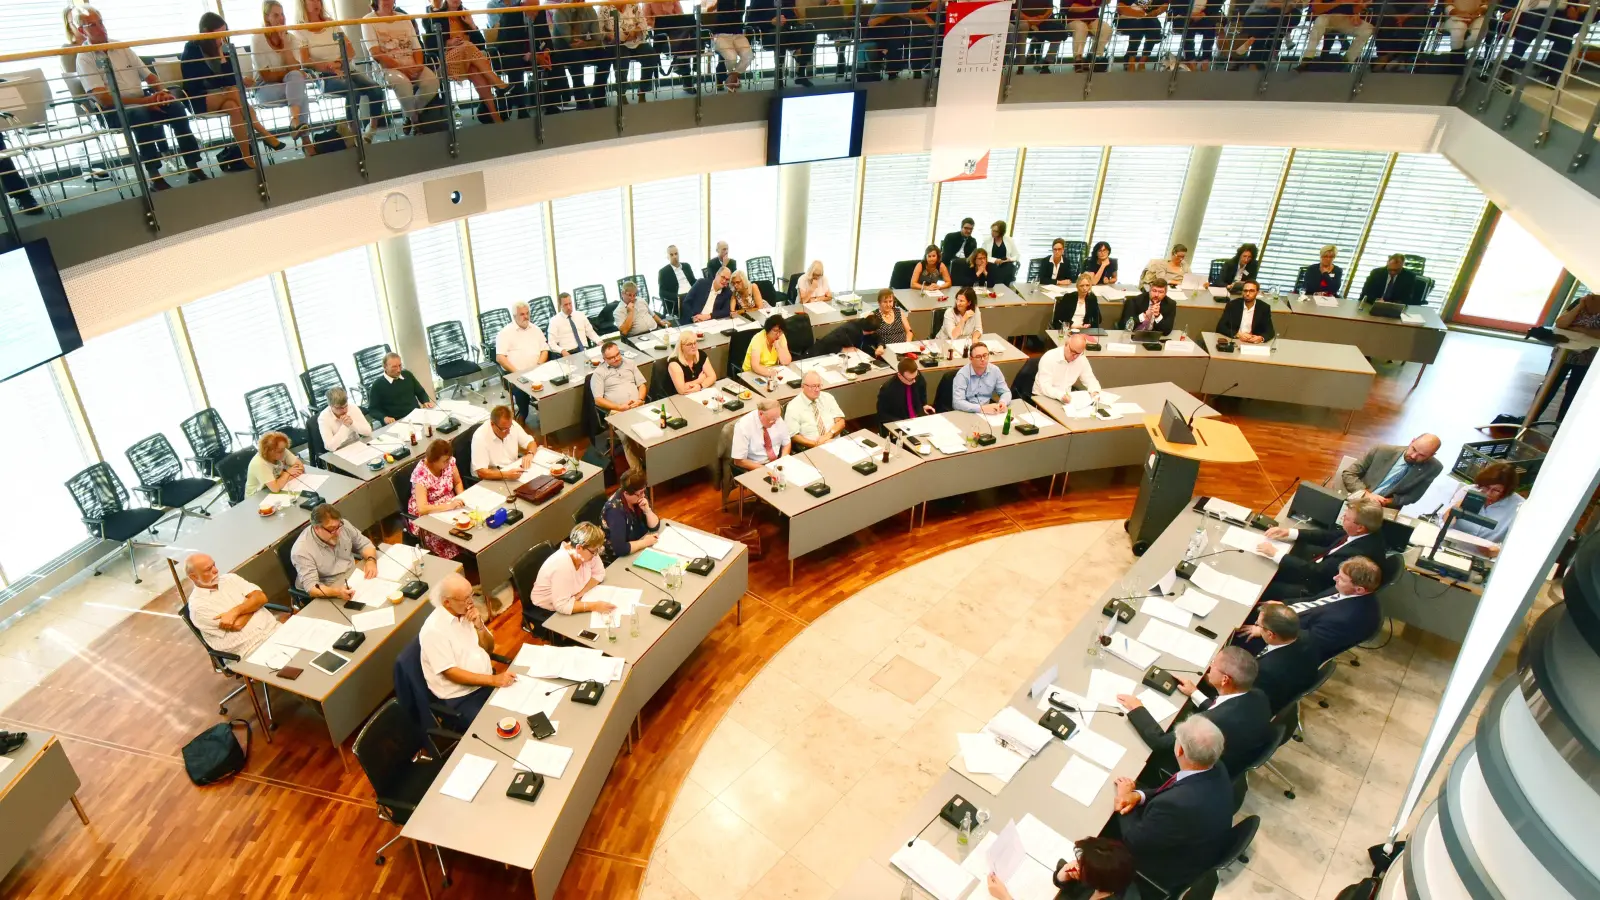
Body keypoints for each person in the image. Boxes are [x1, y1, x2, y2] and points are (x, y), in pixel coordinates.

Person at [73, 5, 206, 190]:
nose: (101, 28)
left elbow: (149, 77)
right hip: (113, 111)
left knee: (176, 106)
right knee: (139, 115)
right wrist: (145, 102)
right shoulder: (84, 58)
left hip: (143, 100)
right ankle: (154, 175)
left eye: (101, 22)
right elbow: (104, 99)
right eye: (92, 25)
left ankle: (193, 166)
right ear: (81, 30)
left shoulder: (121, 47)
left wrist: (161, 92)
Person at [1107, 717, 1234, 893]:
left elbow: (1134, 841)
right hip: (1192, 839)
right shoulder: (1215, 767)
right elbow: (1172, 789)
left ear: (1180, 749)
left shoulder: (1177, 805)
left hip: (1164, 865)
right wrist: (1137, 795)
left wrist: (1122, 799)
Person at [1118, 646, 1273, 785]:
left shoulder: (1211, 722)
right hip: (1234, 755)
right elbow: (1221, 709)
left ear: (1225, 679)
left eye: (1214, 664)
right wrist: (1195, 693)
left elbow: (1159, 742)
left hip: (1198, 771)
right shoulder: (1258, 695)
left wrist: (1137, 708)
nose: (1210, 667)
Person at [179, 13, 282, 171]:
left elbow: (230, 80)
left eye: (224, 33)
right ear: (207, 32)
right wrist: (224, 78)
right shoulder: (192, 49)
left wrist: (221, 55)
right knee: (233, 91)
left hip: (223, 94)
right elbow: (199, 82)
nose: (223, 38)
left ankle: (246, 156)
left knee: (234, 107)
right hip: (200, 97)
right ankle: (262, 131)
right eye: (219, 33)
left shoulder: (222, 47)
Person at [419, 572, 514, 725]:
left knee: (517, 710)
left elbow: (488, 649)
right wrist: (492, 680)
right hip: (462, 697)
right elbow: (451, 673)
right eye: (465, 599)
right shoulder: (434, 631)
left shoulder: (467, 613)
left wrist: (480, 626)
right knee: (494, 727)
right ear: (447, 602)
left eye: (472, 595)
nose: (472, 602)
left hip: (485, 682)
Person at [1256, 556, 1384, 662]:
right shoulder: (1348, 590)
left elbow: (1307, 642)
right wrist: (1283, 605)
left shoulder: (1346, 619)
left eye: (1342, 579)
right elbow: (1313, 600)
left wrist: (1268, 629)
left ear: (1359, 589)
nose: (1335, 578)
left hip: (1284, 640)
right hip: (1285, 620)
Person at [1261, 497, 1388, 601]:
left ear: (1360, 527)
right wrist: (1289, 532)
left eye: (1347, 518)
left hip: (1316, 588)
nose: (1343, 518)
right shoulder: (1369, 531)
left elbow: (1317, 572)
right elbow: (1329, 536)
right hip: (1321, 567)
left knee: (1265, 585)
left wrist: (1276, 554)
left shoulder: (1357, 554)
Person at [296, 0, 389, 136]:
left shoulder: (331, 23)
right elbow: (305, 61)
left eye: (318, 0)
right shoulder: (300, 30)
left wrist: (338, 64)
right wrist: (329, 67)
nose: (316, 3)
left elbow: (350, 50)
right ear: (303, 3)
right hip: (324, 76)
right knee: (353, 89)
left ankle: (372, 127)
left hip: (344, 68)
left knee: (375, 88)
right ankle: (354, 130)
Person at [424, 0, 509, 123]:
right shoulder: (437, 15)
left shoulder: (464, 14)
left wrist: (472, 24)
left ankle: (495, 116)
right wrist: (447, 43)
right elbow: (430, 44)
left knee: (476, 71)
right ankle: (497, 82)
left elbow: (481, 45)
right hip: (449, 59)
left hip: (469, 60)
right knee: (467, 45)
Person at [364, 0, 441, 132]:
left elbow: (417, 47)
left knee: (432, 82)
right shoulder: (368, 20)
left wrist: (418, 65)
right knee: (403, 83)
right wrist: (403, 69)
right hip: (386, 68)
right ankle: (415, 121)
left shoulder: (403, 17)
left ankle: (409, 113)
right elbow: (376, 54)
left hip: (412, 64)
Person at [184, 553, 281, 657]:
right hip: (250, 649)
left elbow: (261, 597)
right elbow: (237, 624)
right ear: (194, 577)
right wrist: (252, 603)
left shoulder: (230, 578)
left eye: (214, 565)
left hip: (275, 629)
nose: (216, 570)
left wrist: (235, 612)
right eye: (208, 569)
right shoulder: (198, 607)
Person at [986, 836, 1136, 900]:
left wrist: (1004, 896)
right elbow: (1070, 889)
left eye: (1082, 865)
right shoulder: (1109, 880)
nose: (1076, 864)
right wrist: (1063, 875)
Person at [1235, 603, 1321, 712]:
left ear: (1271, 635)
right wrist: (1262, 632)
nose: (1256, 625)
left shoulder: (1265, 669)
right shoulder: (1306, 635)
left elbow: (1248, 696)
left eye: (1258, 625)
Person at [1534, 292, 1600, 422]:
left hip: (1587, 357)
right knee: (1548, 386)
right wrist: (1580, 306)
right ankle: (1531, 419)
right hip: (1563, 353)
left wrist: (1578, 329)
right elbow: (1561, 324)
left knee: (1574, 392)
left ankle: (1561, 424)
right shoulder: (1581, 302)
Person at [252, 2, 312, 144]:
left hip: (289, 83)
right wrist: (288, 74)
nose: (282, 18)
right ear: (267, 18)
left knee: (296, 80)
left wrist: (285, 45)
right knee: (299, 91)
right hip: (264, 88)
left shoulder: (290, 38)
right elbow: (266, 76)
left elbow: (295, 70)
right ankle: (306, 142)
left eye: (283, 14)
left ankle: (295, 121)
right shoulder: (258, 38)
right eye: (276, 15)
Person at [528, 523, 618, 618]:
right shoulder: (561, 565)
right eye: (594, 551)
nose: (596, 554)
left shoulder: (586, 550)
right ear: (579, 548)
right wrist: (594, 606)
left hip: (571, 598)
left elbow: (599, 573)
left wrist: (580, 594)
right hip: (548, 609)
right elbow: (561, 605)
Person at [290, 504, 378, 600]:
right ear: (316, 528)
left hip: (352, 578)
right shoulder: (301, 550)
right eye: (332, 529)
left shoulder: (342, 525)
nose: (337, 533)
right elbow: (312, 588)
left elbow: (364, 544)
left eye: (338, 526)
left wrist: (371, 560)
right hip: (328, 591)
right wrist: (337, 592)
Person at [1340, 433, 1443, 509]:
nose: (1413, 456)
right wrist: (1366, 495)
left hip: (1384, 508)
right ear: (1412, 441)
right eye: (1414, 449)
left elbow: (1412, 496)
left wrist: (1387, 501)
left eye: (1422, 455)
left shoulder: (1433, 468)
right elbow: (1349, 474)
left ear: (1431, 456)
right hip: (1357, 499)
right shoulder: (1381, 450)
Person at [591, 341, 648, 469]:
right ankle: (638, 474)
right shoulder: (599, 373)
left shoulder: (630, 364)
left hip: (638, 405)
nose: (616, 358)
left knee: (652, 429)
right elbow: (598, 400)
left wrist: (640, 399)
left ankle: (651, 462)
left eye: (618, 354)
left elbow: (642, 384)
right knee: (627, 437)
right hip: (618, 410)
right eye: (612, 357)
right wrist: (619, 407)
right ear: (604, 359)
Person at [409, 438, 467, 559]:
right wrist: (448, 506)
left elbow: (457, 482)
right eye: (445, 461)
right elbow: (422, 508)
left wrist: (461, 497)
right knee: (449, 535)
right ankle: (456, 563)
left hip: (450, 504)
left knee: (468, 524)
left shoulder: (449, 463)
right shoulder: (421, 474)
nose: (448, 463)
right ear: (433, 461)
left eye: (449, 459)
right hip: (428, 513)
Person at [1447, 461, 1522, 552]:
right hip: (1452, 545)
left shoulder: (1518, 506)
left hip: (1485, 555)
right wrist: (1462, 503)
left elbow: (1516, 541)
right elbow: (1444, 522)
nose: (1488, 493)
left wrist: (1497, 550)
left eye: (1496, 490)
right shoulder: (1468, 490)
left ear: (1506, 492)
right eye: (1485, 487)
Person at [495, 301, 549, 424]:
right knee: (521, 392)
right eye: (522, 314)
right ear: (514, 317)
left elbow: (545, 349)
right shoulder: (505, 333)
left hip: (537, 370)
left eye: (527, 313)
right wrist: (517, 373)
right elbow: (500, 357)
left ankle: (548, 419)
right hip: (517, 375)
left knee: (552, 388)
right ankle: (522, 415)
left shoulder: (535, 329)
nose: (526, 316)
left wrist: (539, 365)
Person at [551, 0, 606, 109]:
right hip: (563, 50)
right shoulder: (560, 12)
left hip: (583, 46)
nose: (579, 1)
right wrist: (579, 13)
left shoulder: (590, 10)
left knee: (605, 56)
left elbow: (598, 39)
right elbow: (571, 40)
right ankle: (582, 101)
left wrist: (586, 44)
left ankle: (598, 96)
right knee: (577, 58)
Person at [601, 469, 660, 563]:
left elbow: (654, 526)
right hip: (619, 558)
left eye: (644, 491)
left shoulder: (640, 494)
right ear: (626, 493)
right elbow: (620, 549)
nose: (643, 495)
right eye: (640, 493)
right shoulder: (614, 511)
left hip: (639, 543)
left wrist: (647, 511)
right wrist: (645, 542)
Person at [603, 0, 652, 105]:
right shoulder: (604, 8)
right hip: (617, 43)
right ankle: (621, 93)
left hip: (635, 40)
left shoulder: (633, 4)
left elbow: (643, 23)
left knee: (651, 55)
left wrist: (636, 31)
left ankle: (642, 91)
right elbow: (600, 30)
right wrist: (610, 35)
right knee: (622, 59)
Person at [1301, 0, 1375, 68]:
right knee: (1321, 20)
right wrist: (1339, 2)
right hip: (1326, 17)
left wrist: (1357, 14)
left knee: (1368, 29)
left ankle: (1349, 59)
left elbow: (1357, 8)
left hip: (1345, 18)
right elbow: (1317, 8)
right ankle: (1308, 57)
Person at [472, 404, 538, 480]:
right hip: (494, 477)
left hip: (513, 470)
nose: (508, 431)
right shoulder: (480, 437)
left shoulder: (511, 425)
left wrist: (530, 454)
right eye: (504, 429)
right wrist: (506, 474)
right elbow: (481, 472)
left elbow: (531, 442)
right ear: (492, 424)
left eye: (510, 427)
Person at [784, 370, 846, 449]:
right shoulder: (793, 406)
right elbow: (794, 436)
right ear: (803, 386)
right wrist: (816, 444)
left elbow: (841, 422)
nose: (817, 390)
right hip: (813, 447)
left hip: (835, 442)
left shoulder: (827, 397)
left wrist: (829, 435)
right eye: (813, 386)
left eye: (819, 386)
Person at [732, 397, 792, 478]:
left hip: (777, 462)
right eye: (772, 419)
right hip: (756, 466)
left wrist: (783, 461)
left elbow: (787, 442)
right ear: (760, 413)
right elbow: (739, 461)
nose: (775, 422)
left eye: (777, 418)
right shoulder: (743, 426)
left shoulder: (776, 418)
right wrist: (766, 470)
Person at [367, 352, 434, 423]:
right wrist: (384, 418)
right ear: (385, 367)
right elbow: (373, 410)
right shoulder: (377, 385)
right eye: (394, 367)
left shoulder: (407, 375)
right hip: (396, 422)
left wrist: (425, 401)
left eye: (400, 365)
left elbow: (420, 392)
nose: (399, 370)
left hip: (416, 415)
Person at [1035, 333, 1101, 402]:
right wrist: (1061, 395)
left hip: (1067, 398)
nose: (1075, 357)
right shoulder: (1049, 357)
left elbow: (1090, 379)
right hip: (1044, 397)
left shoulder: (1081, 358)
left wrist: (1095, 391)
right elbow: (1045, 386)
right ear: (1066, 344)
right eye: (1073, 352)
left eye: (1078, 354)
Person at [704, 0, 754, 91]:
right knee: (731, 57)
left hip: (737, 34)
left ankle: (732, 78)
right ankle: (732, 79)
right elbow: (708, 10)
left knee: (748, 56)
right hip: (721, 34)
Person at [951, 342, 1012, 415]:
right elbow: (957, 403)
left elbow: (1006, 392)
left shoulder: (995, 370)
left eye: (985, 355)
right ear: (971, 359)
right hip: (967, 412)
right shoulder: (962, 375)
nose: (983, 359)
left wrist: (1003, 402)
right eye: (978, 356)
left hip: (988, 412)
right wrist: (981, 408)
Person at [876, 357, 935, 424]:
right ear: (900, 375)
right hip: (900, 422)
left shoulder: (919, 377)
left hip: (919, 419)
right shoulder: (888, 389)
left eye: (915, 377)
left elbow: (922, 398)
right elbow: (883, 415)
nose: (914, 381)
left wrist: (923, 407)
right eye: (910, 379)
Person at [246, 432, 304, 496]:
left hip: (273, 488)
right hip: (257, 496)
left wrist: (283, 480)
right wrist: (287, 473)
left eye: (284, 449)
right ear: (268, 451)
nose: (283, 453)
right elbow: (275, 489)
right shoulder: (259, 463)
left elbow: (300, 466)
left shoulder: (282, 450)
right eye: (279, 451)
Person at [1117, 0, 1168, 70]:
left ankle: (1143, 60)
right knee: (1138, 26)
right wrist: (1136, 13)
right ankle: (1131, 59)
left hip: (1147, 18)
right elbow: (1120, 7)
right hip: (1127, 18)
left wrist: (1156, 12)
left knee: (1155, 26)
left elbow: (1165, 4)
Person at [1063, 0, 1113, 70]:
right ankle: (1078, 59)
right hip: (1074, 20)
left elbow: (1106, 2)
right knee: (1081, 27)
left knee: (1106, 30)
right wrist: (1092, 7)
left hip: (1093, 20)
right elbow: (1072, 7)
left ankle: (1093, 57)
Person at [548, 292, 603, 356]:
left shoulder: (580, 315)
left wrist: (599, 342)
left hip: (585, 350)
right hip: (569, 353)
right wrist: (562, 351)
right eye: (565, 305)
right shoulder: (554, 321)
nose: (569, 307)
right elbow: (551, 343)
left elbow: (591, 332)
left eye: (570, 304)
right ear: (560, 305)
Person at [1358, 253, 1422, 305]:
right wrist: (1376, 300)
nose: (1392, 272)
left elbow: (1407, 298)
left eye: (1396, 270)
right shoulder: (1376, 273)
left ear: (1402, 265)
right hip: (1373, 304)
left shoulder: (1409, 277)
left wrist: (1391, 304)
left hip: (1394, 307)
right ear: (1387, 264)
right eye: (1390, 269)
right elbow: (1366, 292)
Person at [667, 329, 718, 394]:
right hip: (678, 398)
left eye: (695, 343)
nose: (693, 346)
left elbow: (713, 377)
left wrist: (700, 386)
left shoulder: (701, 354)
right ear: (681, 346)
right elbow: (682, 390)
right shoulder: (674, 363)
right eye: (689, 344)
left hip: (698, 393)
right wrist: (699, 380)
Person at [867, 288, 914, 358]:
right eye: (885, 302)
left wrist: (907, 345)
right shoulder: (874, 315)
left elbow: (909, 332)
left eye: (890, 301)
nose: (888, 304)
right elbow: (869, 337)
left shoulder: (899, 312)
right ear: (879, 302)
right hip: (884, 351)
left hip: (903, 349)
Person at [659, 245, 699, 316]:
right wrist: (677, 297)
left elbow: (693, 281)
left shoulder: (686, 266)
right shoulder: (664, 272)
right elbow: (662, 292)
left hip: (692, 295)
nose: (674, 257)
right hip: (678, 300)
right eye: (671, 255)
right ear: (668, 257)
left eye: (676, 254)